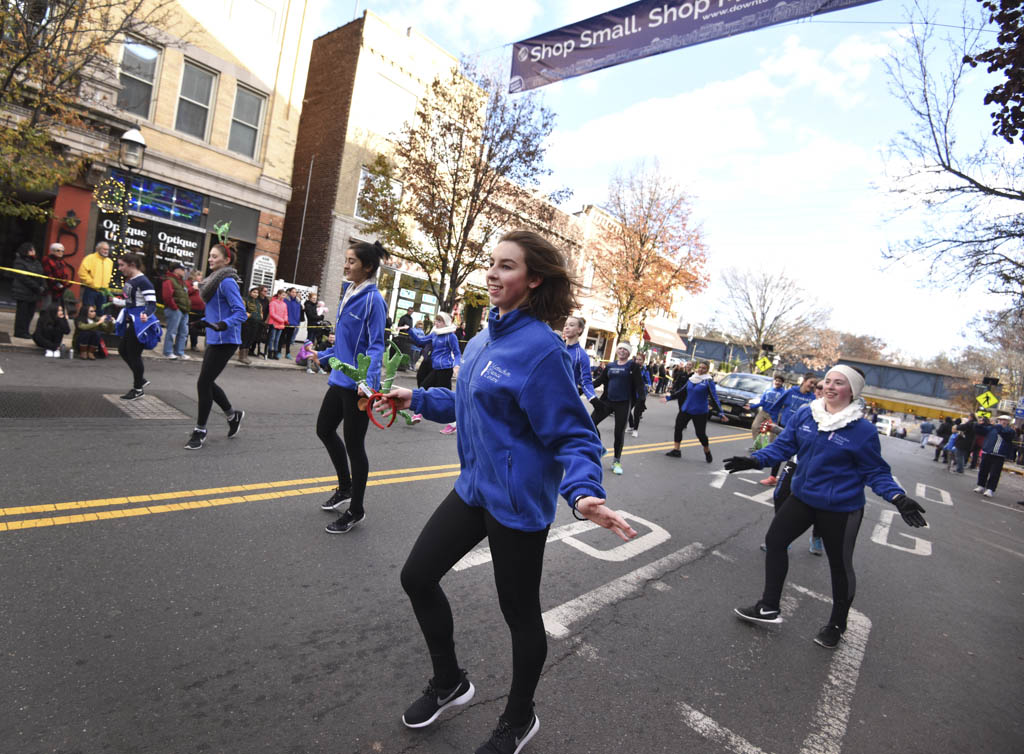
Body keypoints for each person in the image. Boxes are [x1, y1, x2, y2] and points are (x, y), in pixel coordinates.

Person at [378, 230, 636, 754]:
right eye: (492, 264)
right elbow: (470, 403)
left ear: (533, 279)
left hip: (518, 505)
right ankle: (450, 682)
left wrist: (584, 492)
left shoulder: (544, 353)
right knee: (417, 577)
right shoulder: (481, 339)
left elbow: (574, 435)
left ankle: (519, 719)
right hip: (475, 489)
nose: (493, 274)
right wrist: (416, 397)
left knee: (519, 615)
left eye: (508, 266)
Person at [724, 365, 927, 649]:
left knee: (840, 566)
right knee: (775, 540)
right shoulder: (807, 414)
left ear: (852, 390)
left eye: (839, 383)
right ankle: (768, 607)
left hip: (841, 508)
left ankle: (836, 625)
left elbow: (876, 471)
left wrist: (898, 497)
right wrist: (755, 460)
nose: (830, 386)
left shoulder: (862, 430)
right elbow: (784, 446)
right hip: (803, 497)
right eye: (828, 381)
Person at [315, 241, 389, 534]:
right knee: (324, 429)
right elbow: (347, 343)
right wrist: (324, 357)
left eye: (352, 262)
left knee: (355, 446)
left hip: (357, 385)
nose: (346, 266)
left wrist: (367, 383)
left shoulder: (374, 300)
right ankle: (345, 487)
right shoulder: (349, 291)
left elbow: (375, 345)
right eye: (345, 260)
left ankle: (356, 510)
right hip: (340, 378)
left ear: (368, 267)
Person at [185, 244, 248, 450]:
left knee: (204, 383)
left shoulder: (227, 282)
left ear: (226, 260)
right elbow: (217, 310)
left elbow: (240, 313)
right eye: (210, 256)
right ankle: (232, 416)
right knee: (208, 382)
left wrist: (223, 324)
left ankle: (200, 430)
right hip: (214, 337)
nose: (210, 259)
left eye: (214, 256)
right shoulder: (213, 281)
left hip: (227, 339)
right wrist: (202, 321)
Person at [591, 342, 645, 475]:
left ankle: (616, 461)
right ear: (616, 350)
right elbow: (599, 381)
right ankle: (600, 448)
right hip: (607, 401)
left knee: (618, 433)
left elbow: (639, 385)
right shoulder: (610, 366)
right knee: (589, 424)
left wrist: (641, 400)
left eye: (625, 349)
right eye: (620, 348)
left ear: (629, 353)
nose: (622, 351)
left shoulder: (633, 366)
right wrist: (582, 388)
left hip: (623, 403)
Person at [111, 254, 158, 400]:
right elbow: (131, 302)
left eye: (122, 265)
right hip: (132, 319)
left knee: (133, 354)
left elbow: (152, 304)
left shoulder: (144, 282)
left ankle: (138, 388)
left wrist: (146, 314)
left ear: (132, 264)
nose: (120, 269)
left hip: (140, 322)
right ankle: (140, 379)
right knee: (123, 350)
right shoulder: (132, 280)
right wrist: (116, 301)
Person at [759, 373, 818, 485]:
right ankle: (772, 477)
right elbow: (776, 406)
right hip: (785, 426)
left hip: (802, 431)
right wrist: (775, 421)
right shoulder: (790, 392)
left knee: (797, 458)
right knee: (780, 451)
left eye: (815, 384)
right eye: (811, 382)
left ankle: (791, 481)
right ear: (804, 381)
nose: (812, 385)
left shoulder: (813, 398)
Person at [664, 360, 726, 463]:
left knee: (700, 434)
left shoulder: (708, 381)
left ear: (707, 370)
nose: (701, 370)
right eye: (700, 367)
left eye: (704, 368)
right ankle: (676, 450)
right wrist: (669, 398)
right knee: (678, 427)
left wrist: (721, 412)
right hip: (686, 409)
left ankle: (707, 451)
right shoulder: (692, 379)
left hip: (700, 411)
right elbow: (682, 391)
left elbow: (714, 398)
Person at [406, 311, 462, 389]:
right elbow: (420, 341)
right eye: (436, 320)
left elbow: (457, 353)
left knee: (440, 393)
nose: (436, 323)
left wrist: (456, 365)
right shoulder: (434, 334)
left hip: (445, 369)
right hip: (435, 367)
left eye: (439, 321)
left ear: (446, 323)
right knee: (425, 388)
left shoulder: (451, 336)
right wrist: (409, 330)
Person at [973, 415, 1017, 498]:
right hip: (987, 452)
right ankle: (981, 485)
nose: (1003, 421)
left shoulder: (1010, 430)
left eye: (1005, 420)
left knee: (995, 473)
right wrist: (979, 424)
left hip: (999, 455)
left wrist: (997, 426)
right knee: (983, 470)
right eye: (1001, 420)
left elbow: (1005, 434)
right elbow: (980, 431)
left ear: (1008, 422)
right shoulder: (992, 428)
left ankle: (990, 489)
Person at [561, 315, 598, 405]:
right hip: (547, 395)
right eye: (566, 325)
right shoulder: (557, 347)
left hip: (566, 400)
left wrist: (593, 399)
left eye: (571, 325)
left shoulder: (582, 355)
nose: (567, 327)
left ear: (579, 330)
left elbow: (586, 381)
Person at [11, 242, 45, 338]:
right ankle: (20, 332)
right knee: (22, 313)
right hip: (23, 291)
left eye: (33, 250)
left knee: (30, 313)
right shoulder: (19, 262)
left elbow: (40, 274)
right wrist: (36, 286)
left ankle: (26, 331)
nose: (33, 251)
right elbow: (23, 277)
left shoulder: (36, 262)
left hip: (34, 293)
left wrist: (42, 285)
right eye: (31, 250)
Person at [161, 262, 192, 361]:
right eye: (182, 269)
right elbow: (167, 297)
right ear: (176, 270)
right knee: (172, 331)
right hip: (175, 309)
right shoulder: (169, 280)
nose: (184, 271)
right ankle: (168, 352)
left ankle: (179, 352)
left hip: (183, 310)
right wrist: (175, 307)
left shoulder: (181, 281)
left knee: (183, 332)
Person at [748, 374, 786, 444]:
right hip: (764, 412)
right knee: (755, 426)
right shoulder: (768, 390)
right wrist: (751, 406)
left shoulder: (784, 393)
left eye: (779, 381)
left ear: (782, 383)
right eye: (776, 380)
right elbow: (762, 402)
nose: (777, 382)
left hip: (774, 414)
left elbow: (784, 405)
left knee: (773, 432)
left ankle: (770, 447)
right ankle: (757, 445)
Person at [77, 240, 113, 313]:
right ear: (98, 249)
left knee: (101, 312)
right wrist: (92, 283)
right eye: (104, 249)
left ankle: (98, 324)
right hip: (91, 290)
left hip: (103, 291)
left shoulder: (110, 262)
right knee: (87, 311)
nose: (106, 251)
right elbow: (82, 273)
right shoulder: (90, 258)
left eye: (107, 249)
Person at [41, 243, 72, 311]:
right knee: (47, 308)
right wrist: (57, 284)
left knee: (58, 309)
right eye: (58, 250)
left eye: (62, 251)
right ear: (52, 251)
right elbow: (48, 274)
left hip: (60, 290)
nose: (61, 252)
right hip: (50, 288)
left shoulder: (61, 261)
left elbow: (64, 273)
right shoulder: (47, 259)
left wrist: (64, 283)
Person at [628, 352, 652, 438]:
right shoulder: (632, 367)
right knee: (627, 410)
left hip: (640, 394)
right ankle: (631, 425)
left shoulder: (645, 371)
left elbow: (649, 382)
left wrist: (647, 386)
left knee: (636, 413)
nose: (638, 361)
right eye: (636, 359)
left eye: (640, 360)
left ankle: (635, 430)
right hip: (631, 393)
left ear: (643, 361)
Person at [240, 286, 263, 364]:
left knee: (251, 339)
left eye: (257, 293)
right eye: (254, 292)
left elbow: (260, 313)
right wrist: (252, 315)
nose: (256, 294)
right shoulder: (245, 300)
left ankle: (246, 355)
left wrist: (259, 317)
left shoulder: (258, 303)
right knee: (245, 339)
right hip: (247, 323)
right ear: (250, 292)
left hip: (256, 323)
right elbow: (244, 311)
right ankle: (242, 356)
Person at [186, 269, 206, 351]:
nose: (201, 277)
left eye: (201, 275)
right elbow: (185, 292)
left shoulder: (201, 285)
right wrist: (194, 288)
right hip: (190, 309)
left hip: (200, 311)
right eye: (199, 275)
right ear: (194, 276)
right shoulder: (188, 283)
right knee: (186, 328)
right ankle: (181, 344)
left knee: (195, 329)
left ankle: (194, 345)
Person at [266, 289, 288, 359]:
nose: (284, 296)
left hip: (281, 324)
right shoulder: (273, 303)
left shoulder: (284, 304)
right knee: (272, 338)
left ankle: (275, 352)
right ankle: (270, 352)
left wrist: (285, 319)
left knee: (277, 339)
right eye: (283, 295)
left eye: (285, 295)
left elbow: (285, 313)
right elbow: (272, 314)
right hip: (273, 323)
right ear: (279, 295)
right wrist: (281, 319)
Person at [282, 287, 304, 357]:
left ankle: (287, 353)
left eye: (295, 292)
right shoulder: (285, 300)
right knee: (282, 338)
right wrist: (285, 320)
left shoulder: (298, 301)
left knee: (289, 339)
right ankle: (278, 351)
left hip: (293, 323)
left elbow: (298, 313)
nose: (294, 293)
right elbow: (284, 311)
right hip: (285, 322)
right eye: (293, 292)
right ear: (289, 292)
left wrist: (297, 323)